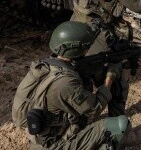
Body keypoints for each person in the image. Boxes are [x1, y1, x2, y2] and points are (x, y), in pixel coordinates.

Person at [12, 21, 129, 149]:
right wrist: (109, 78)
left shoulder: (45, 66)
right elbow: (95, 109)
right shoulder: (66, 82)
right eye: (86, 47)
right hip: (55, 145)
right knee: (121, 126)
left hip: (40, 140)